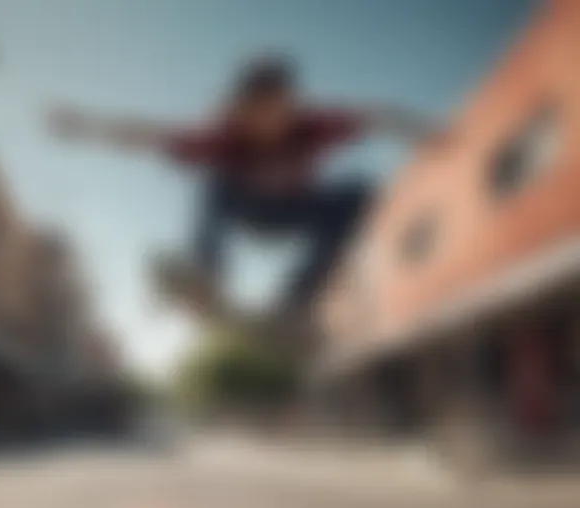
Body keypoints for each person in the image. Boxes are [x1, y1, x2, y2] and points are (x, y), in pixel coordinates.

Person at [47, 54, 452, 334]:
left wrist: (424, 133)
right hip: (248, 213)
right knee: (215, 182)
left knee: (359, 191)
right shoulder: (222, 137)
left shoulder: (313, 124)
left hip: (298, 211)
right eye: (257, 112)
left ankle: (297, 298)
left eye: (277, 111)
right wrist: (87, 126)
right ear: (240, 110)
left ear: (290, 106)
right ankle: (207, 274)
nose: (267, 123)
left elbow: (376, 115)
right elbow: (151, 135)